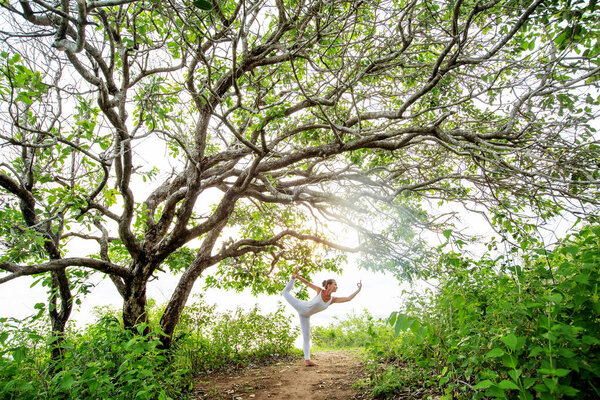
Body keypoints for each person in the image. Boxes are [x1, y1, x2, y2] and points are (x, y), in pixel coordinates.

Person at [281, 267, 362, 367]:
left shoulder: (332, 299)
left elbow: (348, 299)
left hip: (305, 316)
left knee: (306, 338)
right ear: (328, 285)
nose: (336, 286)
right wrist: (296, 277)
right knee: (284, 292)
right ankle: (291, 278)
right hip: (300, 305)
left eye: (337, 285)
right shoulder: (319, 291)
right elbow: (307, 283)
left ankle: (307, 361)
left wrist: (358, 290)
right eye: (335, 284)